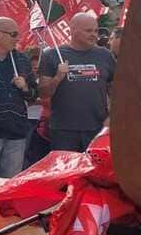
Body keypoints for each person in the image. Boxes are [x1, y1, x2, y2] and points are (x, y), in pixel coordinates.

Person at [38, 11, 115, 152]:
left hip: (97, 128)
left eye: (96, 30)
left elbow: (117, 91)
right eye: (88, 31)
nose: (94, 34)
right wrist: (57, 78)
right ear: (73, 30)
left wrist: (111, 117)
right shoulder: (52, 55)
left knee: (94, 173)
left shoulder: (105, 56)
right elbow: (43, 93)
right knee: (65, 173)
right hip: (63, 130)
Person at [0, 17, 38, 179]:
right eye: (13, 34)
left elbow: (34, 94)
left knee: (9, 184)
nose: (17, 38)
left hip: (17, 131)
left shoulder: (22, 60)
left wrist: (25, 86)